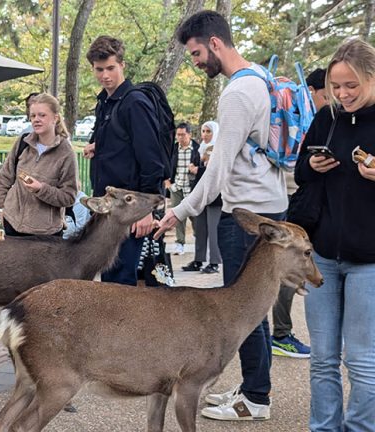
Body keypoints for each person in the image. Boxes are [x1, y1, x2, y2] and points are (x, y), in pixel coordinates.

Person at [156, 10, 288, 421]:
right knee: (255, 308)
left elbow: (217, 170)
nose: (196, 62)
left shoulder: (236, 94)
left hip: (246, 215)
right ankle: (254, 387)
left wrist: (179, 211)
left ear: (215, 43)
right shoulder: (262, 78)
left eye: (196, 53)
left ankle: (255, 400)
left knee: (240, 312)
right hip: (271, 204)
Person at [295, 38, 375, 431]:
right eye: (336, 86)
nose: (342, 94)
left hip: (370, 262)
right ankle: (323, 427)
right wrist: (313, 165)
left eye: (351, 86)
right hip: (323, 254)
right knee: (323, 357)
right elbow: (299, 173)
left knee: (362, 359)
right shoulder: (326, 117)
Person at [83, 35, 166, 286]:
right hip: (110, 211)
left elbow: (152, 161)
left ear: (122, 65)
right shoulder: (105, 103)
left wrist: (145, 211)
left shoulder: (135, 103)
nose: (105, 75)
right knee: (111, 280)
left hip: (132, 210)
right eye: (99, 69)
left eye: (111, 68)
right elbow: (126, 143)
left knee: (124, 284)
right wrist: (100, 146)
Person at [268, 69, 327, 359]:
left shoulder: (314, 115)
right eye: (328, 93)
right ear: (314, 90)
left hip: (298, 198)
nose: (333, 99)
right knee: (292, 265)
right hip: (293, 199)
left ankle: (281, 332)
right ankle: (281, 334)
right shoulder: (306, 113)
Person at [0, 93, 77, 236]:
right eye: (33, 116)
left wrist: (41, 189)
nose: (36, 120)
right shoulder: (23, 142)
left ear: (55, 118)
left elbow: (69, 197)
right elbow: (4, 177)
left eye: (42, 115)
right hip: (12, 225)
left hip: (45, 235)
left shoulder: (66, 153)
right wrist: (1, 208)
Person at [182, 120, 222, 273]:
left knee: (213, 230)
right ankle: (199, 260)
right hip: (200, 194)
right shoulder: (200, 149)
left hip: (214, 196)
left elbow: (215, 172)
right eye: (203, 131)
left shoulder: (218, 149)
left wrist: (197, 170)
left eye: (208, 131)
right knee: (200, 229)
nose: (205, 135)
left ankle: (214, 262)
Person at [166, 122, 200, 255]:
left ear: (189, 134)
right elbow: (167, 165)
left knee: (195, 216)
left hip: (192, 188)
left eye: (183, 134)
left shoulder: (197, 148)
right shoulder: (173, 149)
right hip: (177, 187)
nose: (180, 137)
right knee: (178, 216)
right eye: (178, 135)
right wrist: (168, 183)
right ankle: (180, 243)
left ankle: (200, 240)